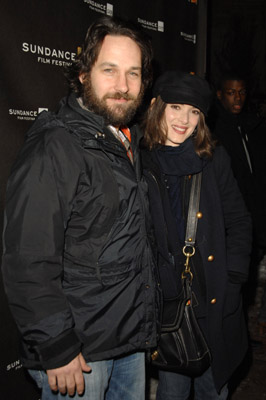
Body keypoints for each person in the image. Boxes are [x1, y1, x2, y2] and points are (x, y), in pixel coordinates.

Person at [1, 16, 160, 400]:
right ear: (84, 74)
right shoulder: (56, 146)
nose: (123, 86)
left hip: (126, 342)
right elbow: (28, 258)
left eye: (133, 73)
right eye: (110, 70)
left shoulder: (124, 138)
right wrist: (56, 347)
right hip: (80, 354)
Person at [141, 70, 252, 399]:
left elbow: (240, 222)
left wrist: (232, 281)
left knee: (212, 389)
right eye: (175, 107)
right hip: (166, 308)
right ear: (156, 107)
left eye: (194, 111)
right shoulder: (140, 160)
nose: (183, 119)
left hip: (212, 300)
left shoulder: (213, 160)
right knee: (172, 390)